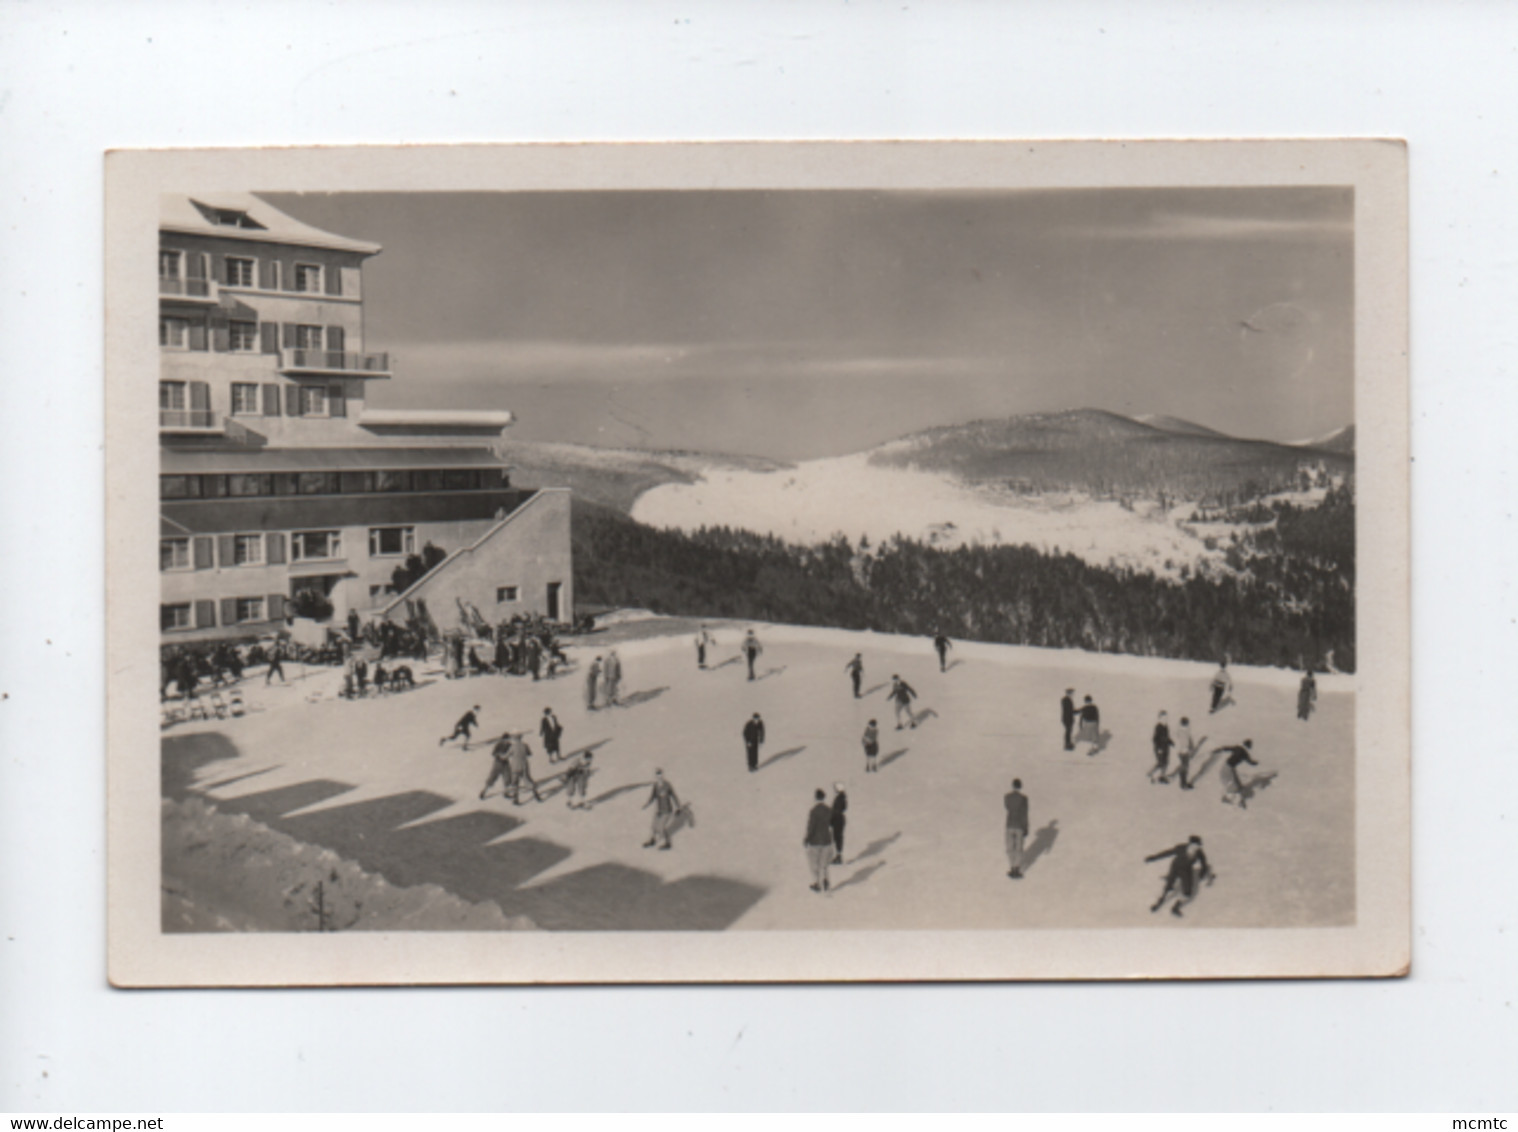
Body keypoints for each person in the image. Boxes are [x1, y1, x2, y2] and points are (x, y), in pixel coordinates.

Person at [1146, 835, 1213, 917]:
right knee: (1169, 886)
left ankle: (1176, 907)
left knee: (1188, 892)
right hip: (1175, 868)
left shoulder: (1199, 853)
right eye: (1195, 845)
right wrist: (1154, 858)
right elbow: (1168, 853)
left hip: (1186, 870)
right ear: (1190, 844)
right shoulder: (1181, 848)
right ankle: (1159, 903)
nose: (1196, 847)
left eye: (1198, 846)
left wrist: (1202, 874)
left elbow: (1204, 864)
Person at [642, 769, 682, 850]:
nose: (659, 778)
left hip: (667, 810)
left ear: (662, 776)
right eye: (657, 776)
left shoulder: (667, 785)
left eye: (660, 776)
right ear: (655, 777)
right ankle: (652, 840)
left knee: (661, 827)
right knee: (653, 826)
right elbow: (652, 796)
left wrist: (678, 807)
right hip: (659, 810)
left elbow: (674, 796)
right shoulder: (656, 786)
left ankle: (668, 843)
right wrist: (647, 804)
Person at [804, 788, 834, 893]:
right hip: (826, 839)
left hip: (815, 841)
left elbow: (811, 827)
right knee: (824, 864)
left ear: (816, 797)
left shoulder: (814, 811)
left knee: (814, 863)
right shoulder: (828, 810)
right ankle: (825, 880)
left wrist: (807, 838)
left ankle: (817, 883)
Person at [1218, 739, 1260, 808]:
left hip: (1227, 766)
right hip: (1228, 768)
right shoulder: (1244, 753)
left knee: (1235, 782)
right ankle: (1229, 799)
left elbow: (1229, 748)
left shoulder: (1238, 748)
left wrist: (1222, 748)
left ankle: (1237, 794)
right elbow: (1250, 761)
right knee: (1233, 785)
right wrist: (1255, 763)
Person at [505, 733, 542, 805]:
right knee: (528, 781)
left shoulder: (512, 746)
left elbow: (507, 756)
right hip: (524, 765)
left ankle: (516, 799)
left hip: (515, 767)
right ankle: (536, 795)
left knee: (515, 783)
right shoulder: (525, 745)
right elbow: (530, 754)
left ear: (515, 739)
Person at [1004, 778, 1030, 879]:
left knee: (1010, 847)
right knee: (1019, 848)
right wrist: (1026, 827)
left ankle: (1011, 867)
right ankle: (1017, 868)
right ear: (1021, 786)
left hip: (1009, 824)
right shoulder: (1024, 798)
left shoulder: (1007, 797)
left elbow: (1007, 807)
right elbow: (1025, 814)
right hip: (1019, 825)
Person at [478, 733, 514, 800]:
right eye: (506, 739)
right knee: (492, 777)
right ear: (503, 739)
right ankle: (483, 792)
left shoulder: (510, 745)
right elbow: (493, 753)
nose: (507, 741)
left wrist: (508, 755)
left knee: (507, 777)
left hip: (505, 763)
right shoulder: (499, 744)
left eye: (509, 739)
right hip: (498, 763)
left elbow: (512, 752)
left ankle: (506, 792)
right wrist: (500, 755)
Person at [1148, 711, 1176, 784]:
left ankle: (1162, 776)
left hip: (1166, 747)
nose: (1165, 719)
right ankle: (1151, 773)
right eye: (1163, 718)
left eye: (1166, 718)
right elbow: (1155, 739)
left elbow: (1167, 737)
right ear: (1159, 718)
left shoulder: (1166, 726)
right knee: (1161, 763)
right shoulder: (1158, 727)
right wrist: (1159, 748)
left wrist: (1171, 742)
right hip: (1160, 748)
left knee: (1166, 762)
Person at [1174, 716, 1198, 790]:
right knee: (1185, 767)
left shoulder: (1180, 730)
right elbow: (1186, 741)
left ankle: (1183, 783)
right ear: (1187, 724)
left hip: (1181, 751)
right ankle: (1183, 784)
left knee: (1184, 767)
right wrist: (1190, 748)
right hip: (1183, 752)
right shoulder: (1184, 731)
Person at [830, 782, 848, 865]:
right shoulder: (843, 798)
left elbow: (836, 810)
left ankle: (838, 856)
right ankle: (838, 855)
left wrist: (831, 820)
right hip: (840, 819)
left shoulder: (839, 799)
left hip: (837, 819)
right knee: (838, 837)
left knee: (837, 837)